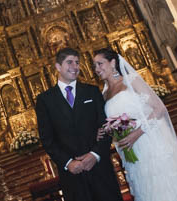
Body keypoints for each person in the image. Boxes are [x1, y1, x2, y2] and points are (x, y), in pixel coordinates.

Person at [93, 48, 177, 201]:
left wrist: (137, 132)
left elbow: (159, 109)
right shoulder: (104, 94)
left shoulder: (131, 80)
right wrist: (106, 131)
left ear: (113, 62)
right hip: (130, 149)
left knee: (163, 186)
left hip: (149, 141)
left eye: (100, 64)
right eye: (95, 66)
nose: (96, 69)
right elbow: (112, 122)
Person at [35, 47, 123, 201]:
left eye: (77, 62)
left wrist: (94, 155)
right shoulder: (45, 100)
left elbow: (106, 126)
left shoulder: (92, 91)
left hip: (100, 170)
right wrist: (68, 162)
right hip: (72, 177)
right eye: (70, 62)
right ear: (58, 67)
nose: (75, 67)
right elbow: (47, 139)